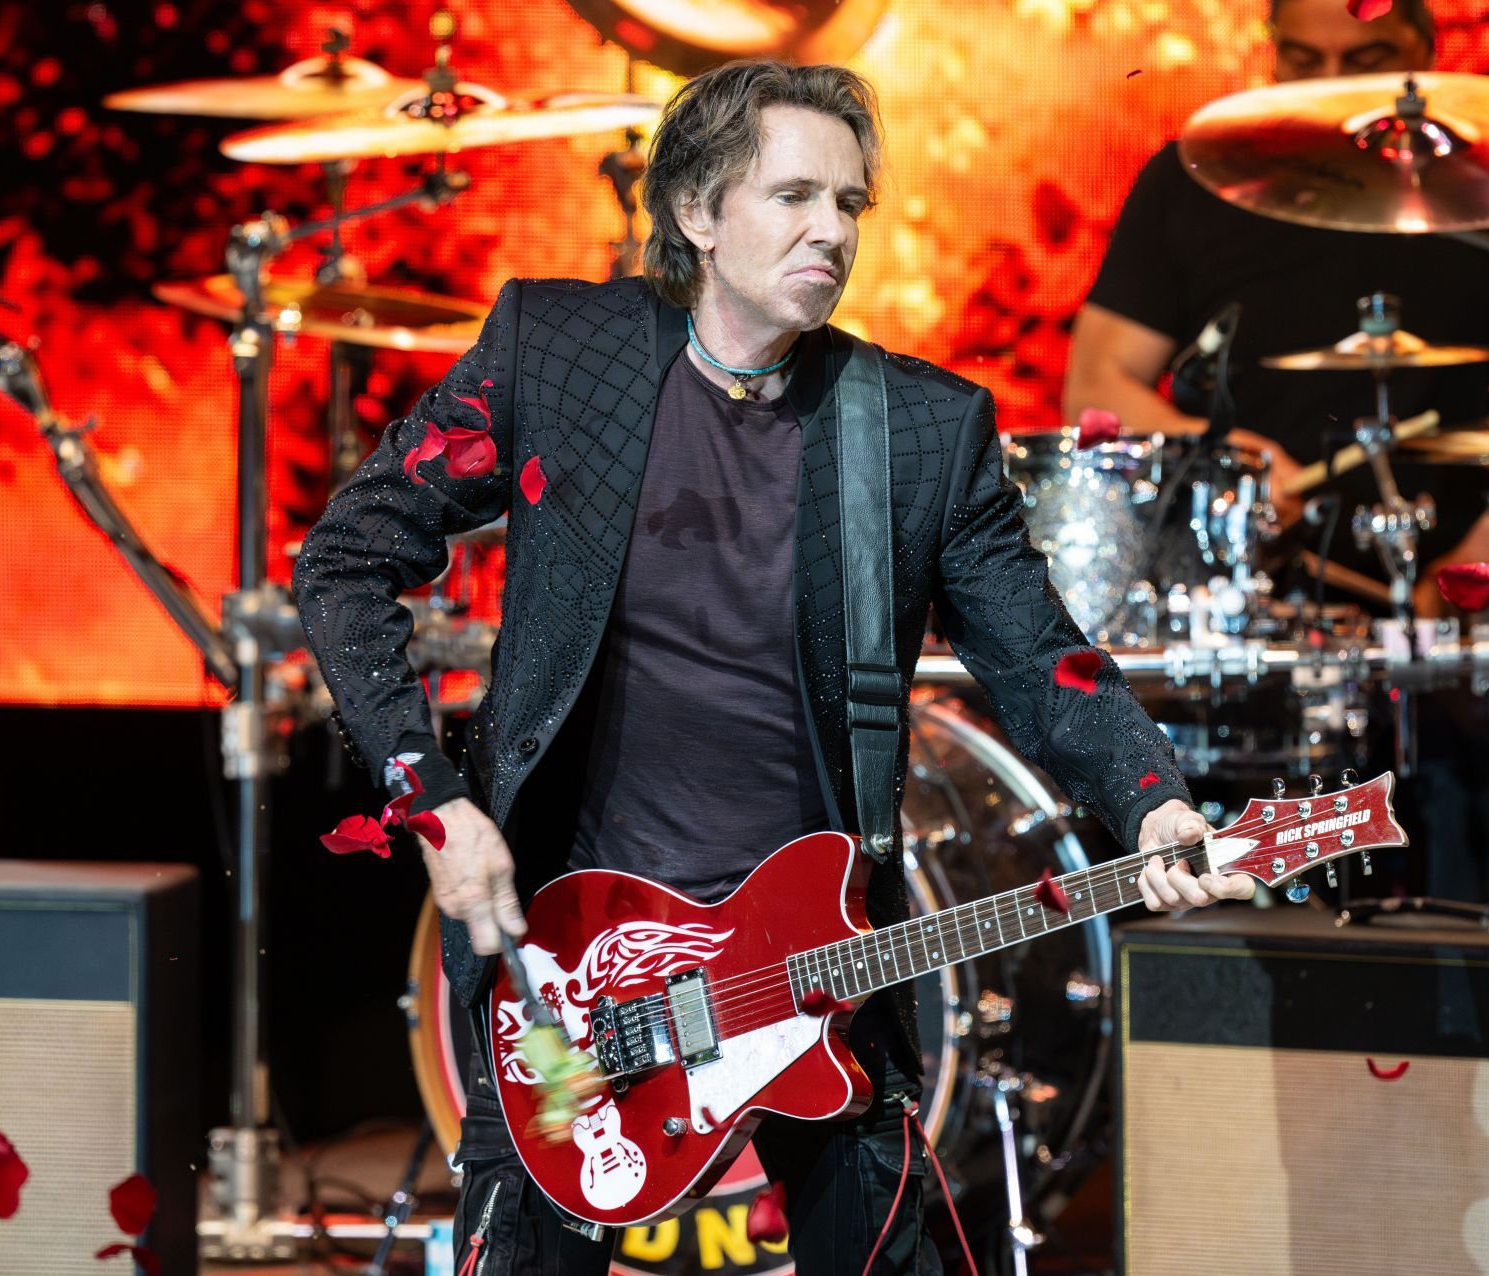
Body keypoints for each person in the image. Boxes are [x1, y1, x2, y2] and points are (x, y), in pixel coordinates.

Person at [295, 59, 1253, 1275]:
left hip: (816, 954)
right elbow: (346, 558)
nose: (831, 231)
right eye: (794, 195)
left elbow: (1039, 654)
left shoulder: (915, 427)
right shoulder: (558, 352)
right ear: (697, 212)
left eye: (850, 204)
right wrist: (431, 801)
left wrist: (1153, 799)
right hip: (578, 961)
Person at [1063, 0, 1489, 619]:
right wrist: (1228, 463)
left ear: (1425, 51)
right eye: (1303, 59)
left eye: (1368, 60)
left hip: (1469, 613)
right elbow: (1097, 386)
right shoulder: (1191, 180)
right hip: (1246, 607)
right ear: (1273, 49)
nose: (1332, 83)